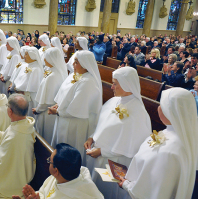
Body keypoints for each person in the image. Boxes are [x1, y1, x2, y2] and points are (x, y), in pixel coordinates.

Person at [118, 88, 198, 199]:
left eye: (162, 105)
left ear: (171, 111)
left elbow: (154, 190)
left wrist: (128, 185)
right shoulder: (182, 134)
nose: (158, 107)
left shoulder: (169, 150)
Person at [84, 67, 151, 199]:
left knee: (106, 192)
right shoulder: (114, 101)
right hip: (97, 155)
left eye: (115, 83)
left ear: (127, 85)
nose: (111, 87)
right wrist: (92, 137)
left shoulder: (138, 112)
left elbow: (132, 145)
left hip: (114, 162)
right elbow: (102, 123)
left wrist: (102, 152)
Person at [49, 51, 103, 164]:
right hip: (66, 119)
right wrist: (58, 105)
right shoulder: (77, 76)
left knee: (69, 153)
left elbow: (76, 109)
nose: (73, 64)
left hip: (75, 123)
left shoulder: (88, 82)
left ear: (85, 65)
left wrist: (58, 111)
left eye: (76, 62)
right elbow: (67, 97)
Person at [12, 143, 104, 199]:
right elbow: (44, 193)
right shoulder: (71, 174)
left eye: (49, 161)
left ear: (56, 171)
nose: (48, 162)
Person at [33, 47, 68, 144]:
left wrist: (37, 109)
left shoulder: (52, 76)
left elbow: (46, 101)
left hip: (47, 112)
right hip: (49, 110)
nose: (44, 59)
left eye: (46, 57)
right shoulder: (56, 72)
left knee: (45, 136)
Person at [14, 47, 44, 117]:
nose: (24, 56)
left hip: (31, 99)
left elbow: (33, 88)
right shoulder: (30, 66)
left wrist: (21, 90)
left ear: (32, 56)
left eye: (26, 54)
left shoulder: (36, 69)